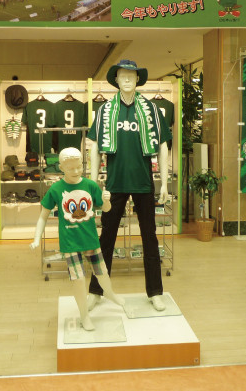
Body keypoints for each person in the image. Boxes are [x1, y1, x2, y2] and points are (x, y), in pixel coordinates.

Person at [87, 59, 172, 312]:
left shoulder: (152, 109)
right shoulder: (105, 110)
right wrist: (93, 182)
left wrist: (164, 183)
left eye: (131, 75)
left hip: (144, 183)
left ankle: (155, 292)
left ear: (137, 79)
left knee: (150, 238)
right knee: (106, 239)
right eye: (122, 74)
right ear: (116, 79)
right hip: (114, 184)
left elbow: (163, 145)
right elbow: (95, 146)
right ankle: (96, 290)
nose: (126, 78)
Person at [31, 147, 124, 331]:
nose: (76, 171)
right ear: (61, 168)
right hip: (70, 243)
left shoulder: (90, 185)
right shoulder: (56, 189)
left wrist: (106, 200)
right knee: (78, 280)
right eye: (71, 168)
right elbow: (43, 216)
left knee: (102, 273)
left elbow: (106, 210)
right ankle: (84, 315)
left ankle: (110, 293)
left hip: (90, 240)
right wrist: (36, 238)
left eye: (79, 167)